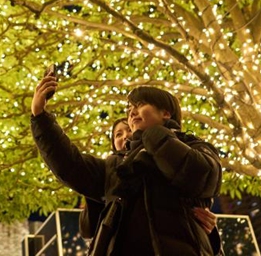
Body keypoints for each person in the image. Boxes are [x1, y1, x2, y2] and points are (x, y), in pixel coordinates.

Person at [32, 75, 222, 256]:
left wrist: (153, 134)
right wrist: (40, 117)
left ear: (165, 113)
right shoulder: (114, 166)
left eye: (139, 105)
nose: (132, 112)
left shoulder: (195, 146)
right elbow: (71, 164)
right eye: (129, 108)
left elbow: (203, 177)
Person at [79, 119, 219, 246]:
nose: (125, 136)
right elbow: (88, 229)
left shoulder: (166, 163)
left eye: (129, 130)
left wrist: (206, 226)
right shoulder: (107, 174)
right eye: (118, 135)